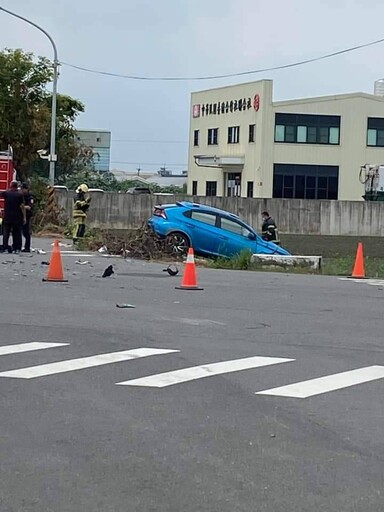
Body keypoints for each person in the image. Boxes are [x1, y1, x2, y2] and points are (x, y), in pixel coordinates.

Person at [0, 181, 26, 254]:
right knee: (16, 233)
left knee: (6, 233)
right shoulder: (20, 195)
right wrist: (24, 217)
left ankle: (5, 248)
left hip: (7, 217)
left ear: (11, 185)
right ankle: (16, 248)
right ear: (17, 186)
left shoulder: (6, 193)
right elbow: (22, 206)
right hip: (17, 217)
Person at [21, 182, 34, 252]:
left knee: (26, 232)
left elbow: (29, 207)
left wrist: (23, 207)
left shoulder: (30, 196)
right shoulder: (21, 195)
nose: (23, 191)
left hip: (28, 216)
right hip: (21, 215)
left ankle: (27, 247)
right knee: (22, 232)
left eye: (23, 189)